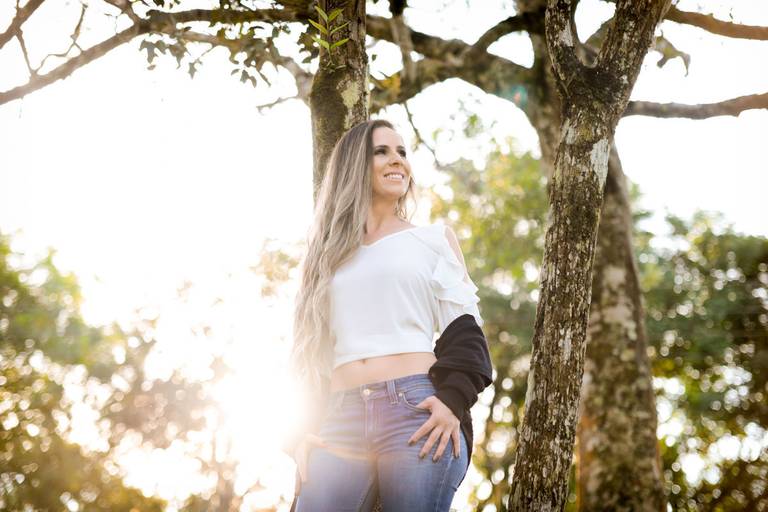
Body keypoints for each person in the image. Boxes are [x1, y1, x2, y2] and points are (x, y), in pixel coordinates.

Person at [283, 118, 493, 511]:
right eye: (382, 151)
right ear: (354, 165)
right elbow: (307, 352)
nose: (397, 160)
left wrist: (452, 400)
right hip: (338, 418)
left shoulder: (432, 240)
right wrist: (298, 433)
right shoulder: (325, 254)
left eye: (402, 152)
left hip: (415, 410)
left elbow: (466, 334)